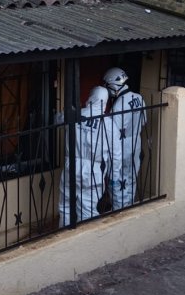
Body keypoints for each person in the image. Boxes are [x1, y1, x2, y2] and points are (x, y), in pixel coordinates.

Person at [60, 86, 112, 226]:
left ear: (91, 97)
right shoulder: (108, 123)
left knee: (65, 206)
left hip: (71, 164)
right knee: (88, 209)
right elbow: (115, 154)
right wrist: (113, 175)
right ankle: (90, 241)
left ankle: (65, 239)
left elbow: (57, 119)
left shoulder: (75, 115)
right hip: (93, 169)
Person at [102, 67, 146, 210]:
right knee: (131, 178)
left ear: (113, 84)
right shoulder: (139, 98)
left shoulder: (119, 103)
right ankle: (129, 207)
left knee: (118, 180)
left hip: (121, 147)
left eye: (107, 86)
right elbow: (144, 121)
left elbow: (112, 130)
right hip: (136, 144)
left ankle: (120, 210)